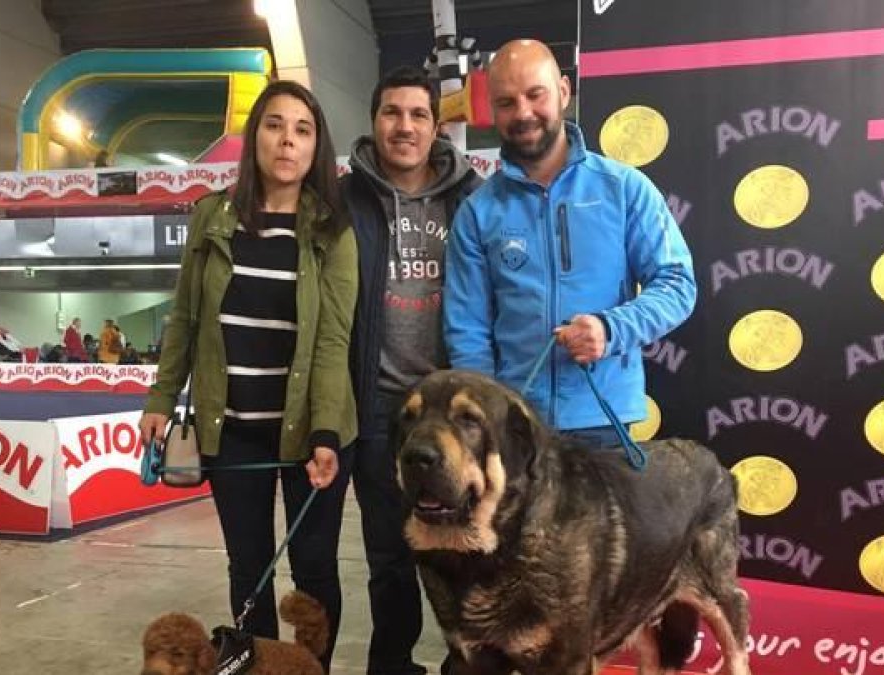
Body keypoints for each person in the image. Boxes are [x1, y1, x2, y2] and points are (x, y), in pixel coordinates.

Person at [138, 79, 357, 672]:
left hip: (311, 436)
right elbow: (184, 317)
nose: (287, 140)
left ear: (316, 148)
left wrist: (327, 433)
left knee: (314, 570)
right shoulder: (213, 216)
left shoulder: (331, 229)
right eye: (275, 125)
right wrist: (161, 395)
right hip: (231, 433)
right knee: (250, 568)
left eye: (303, 130)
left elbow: (335, 340)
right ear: (254, 136)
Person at [444, 39, 697, 448]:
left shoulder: (624, 189)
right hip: (517, 426)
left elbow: (677, 285)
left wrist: (610, 329)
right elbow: (468, 330)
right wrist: (485, 414)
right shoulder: (477, 213)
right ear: (492, 109)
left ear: (563, 91)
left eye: (535, 94)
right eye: (506, 102)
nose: (523, 112)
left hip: (605, 422)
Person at [341, 65, 481, 675]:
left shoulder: (472, 198)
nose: (405, 126)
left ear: (436, 126)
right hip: (376, 405)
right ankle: (392, 662)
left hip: (453, 410)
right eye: (392, 113)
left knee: (466, 546)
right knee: (389, 553)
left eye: (418, 114)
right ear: (374, 123)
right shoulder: (343, 199)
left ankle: (467, 658)